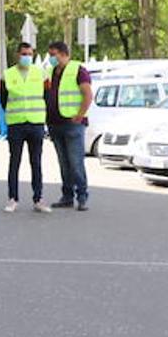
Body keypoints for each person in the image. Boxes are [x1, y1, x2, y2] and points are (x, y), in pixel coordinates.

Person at [0, 42, 51, 213]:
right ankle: (12, 198)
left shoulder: (40, 73)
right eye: (23, 54)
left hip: (36, 123)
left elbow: (47, 95)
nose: (26, 57)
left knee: (36, 162)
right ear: (17, 55)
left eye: (29, 54)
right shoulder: (8, 74)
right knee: (15, 162)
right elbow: (3, 99)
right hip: (16, 124)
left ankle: (38, 199)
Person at [45, 40, 94, 210]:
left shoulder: (78, 70)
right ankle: (67, 196)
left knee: (75, 162)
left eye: (53, 55)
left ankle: (82, 196)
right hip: (55, 123)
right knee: (64, 163)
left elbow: (87, 94)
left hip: (73, 124)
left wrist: (80, 115)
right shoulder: (50, 71)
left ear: (64, 54)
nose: (51, 58)